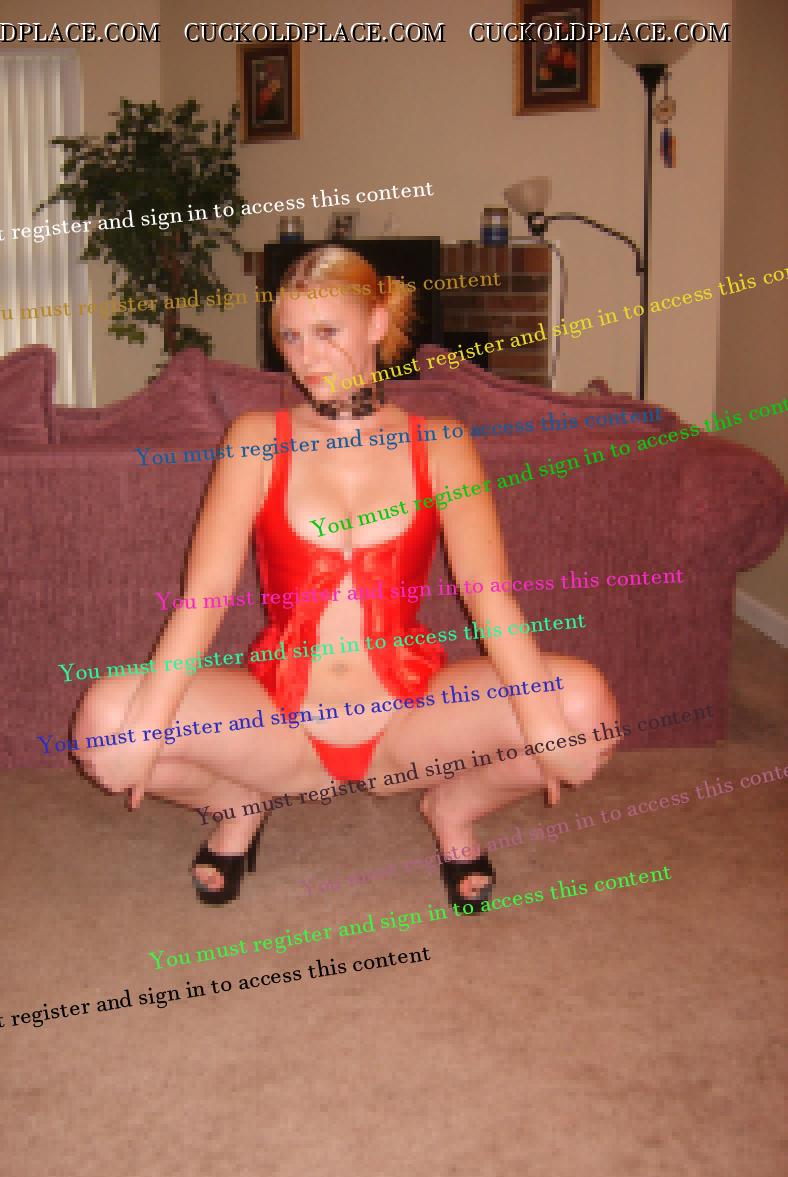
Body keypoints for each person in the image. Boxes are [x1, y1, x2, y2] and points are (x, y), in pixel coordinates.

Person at [73, 245, 621, 908]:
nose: (307, 357)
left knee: (584, 710)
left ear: (377, 323)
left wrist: (543, 725)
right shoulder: (256, 438)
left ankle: (453, 810)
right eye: (291, 338)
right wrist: (145, 729)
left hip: (408, 720)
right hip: (281, 721)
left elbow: (488, 595)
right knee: (105, 723)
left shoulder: (441, 442)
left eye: (327, 332)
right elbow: (205, 597)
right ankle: (239, 805)